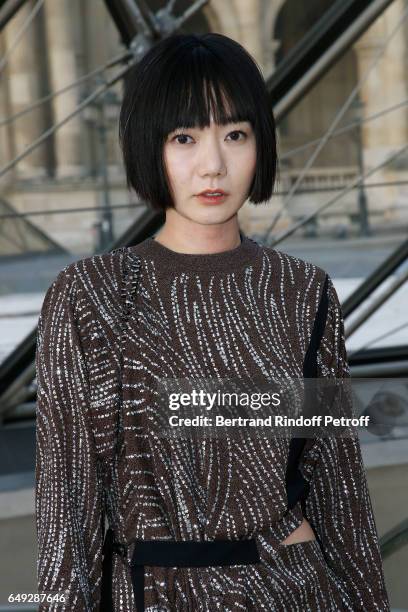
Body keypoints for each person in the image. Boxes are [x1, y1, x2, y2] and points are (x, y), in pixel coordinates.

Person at [35, 33, 390, 611]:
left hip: (292, 589)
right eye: (184, 137)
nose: (213, 164)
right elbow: (66, 512)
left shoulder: (302, 291)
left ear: (260, 143)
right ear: (147, 145)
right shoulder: (91, 296)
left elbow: (338, 484)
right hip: (155, 595)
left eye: (234, 134)